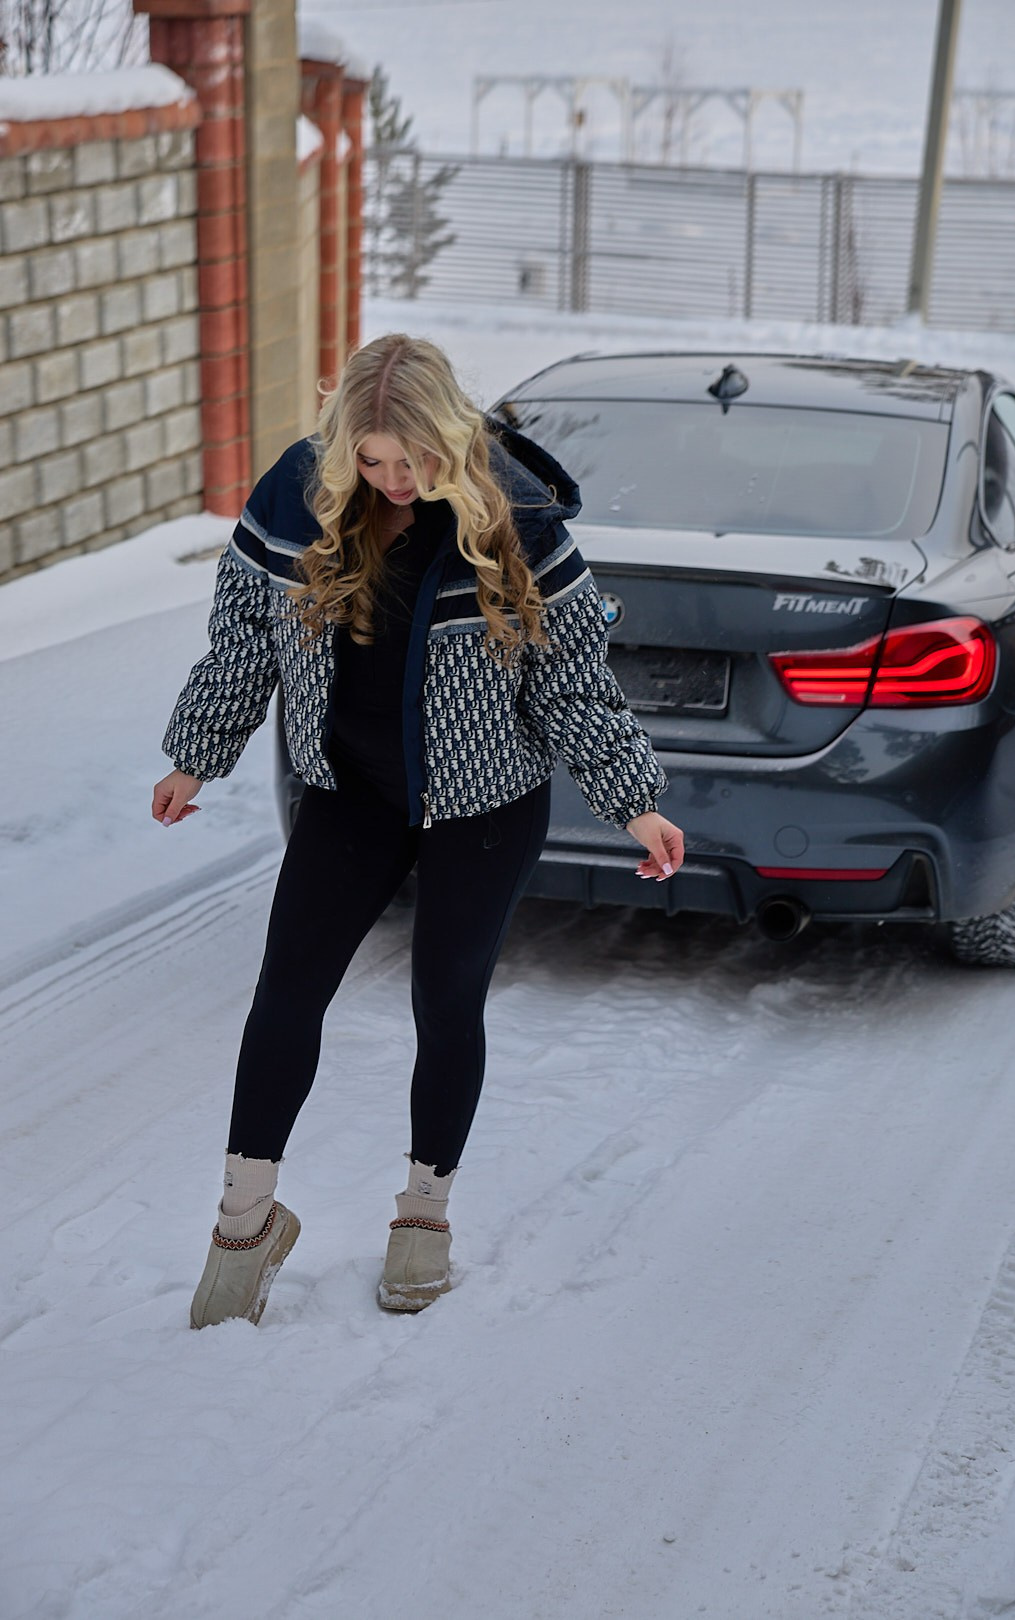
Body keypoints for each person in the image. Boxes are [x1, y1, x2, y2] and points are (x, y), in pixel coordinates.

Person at [153, 333, 684, 1329]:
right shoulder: (291, 504)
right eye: (372, 460)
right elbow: (242, 646)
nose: (394, 481)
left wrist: (633, 800)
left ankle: (424, 1217)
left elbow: (571, 687)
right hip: (348, 795)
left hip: (483, 808)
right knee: (285, 997)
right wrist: (197, 752)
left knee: (446, 1002)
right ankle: (244, 1223)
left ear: (451, 436)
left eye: (414, 460)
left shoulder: (517, 523)